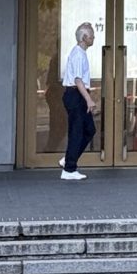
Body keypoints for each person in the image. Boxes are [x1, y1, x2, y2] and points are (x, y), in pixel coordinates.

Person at [60, 22, 97, 180]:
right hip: (75, 94)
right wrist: (88, 99)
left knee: (89, 129)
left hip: (79, 94)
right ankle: (69, 169)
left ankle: (69, 158)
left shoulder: (81, 53)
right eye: (91, 36)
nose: (93, 38)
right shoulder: (77, 54)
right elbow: (77, 80)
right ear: (84, 37)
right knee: (77, 131)